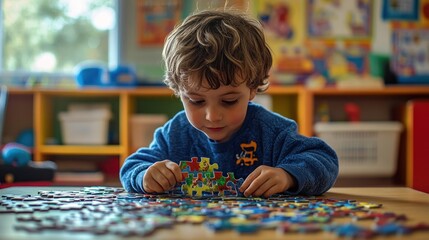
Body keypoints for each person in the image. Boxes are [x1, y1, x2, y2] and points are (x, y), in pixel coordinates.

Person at [120, 9, 338, 197]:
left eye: (229, 100)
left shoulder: (271, 131)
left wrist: (288, 175)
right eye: (196, 101)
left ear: (252, 88)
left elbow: (324, 160)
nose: (212, 115)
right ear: (179, 91)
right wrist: (144, 175)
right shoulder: (174, 134)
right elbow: (132, 166)